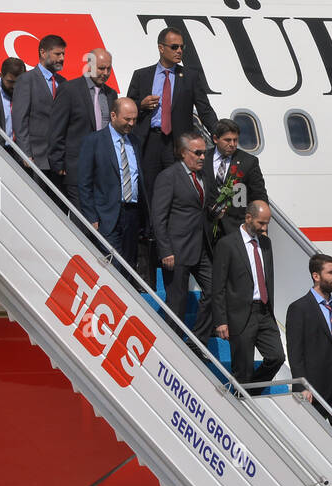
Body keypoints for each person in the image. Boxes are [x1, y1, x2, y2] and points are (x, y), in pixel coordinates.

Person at [127, 27, 218, 190]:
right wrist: (142, 105)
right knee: (149, 187)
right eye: (174, 47)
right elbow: (128, 108)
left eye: (182, 47)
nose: (179, 51)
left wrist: (218, 134)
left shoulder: (190, 77)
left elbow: (204, 109)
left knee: (178, 187)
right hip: (150, 141)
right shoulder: (142, 76)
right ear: (161, 48)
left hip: (178, 142)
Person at [211, 200, 284, 393]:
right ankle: (241, 402)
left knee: (277, 357)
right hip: (241, 314)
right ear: (248, 217)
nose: (264, 227)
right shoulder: (227, 244)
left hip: (265, 312)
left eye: (267, 223)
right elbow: (217, 286)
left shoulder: (266, 243)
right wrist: (221, 321)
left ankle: (249, 392)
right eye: (261, 223)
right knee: (242, 370)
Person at [150, 132, 215, 341]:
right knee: (177, 303)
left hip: (200, 248)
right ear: (183, 153)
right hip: (176, 250)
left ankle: (197, 340)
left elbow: (200, 209)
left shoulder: (204, 176)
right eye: (198, 153)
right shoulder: (169, 176)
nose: (203, 157)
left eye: (204, 153)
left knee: (215, 290)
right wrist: (165, 250)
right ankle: (171, 346)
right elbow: (158, 217)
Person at [286, 254, 332, 444]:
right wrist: (302, 386)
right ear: (316, 276)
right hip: (314, 387)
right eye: (331, 272)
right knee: (310, 442)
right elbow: (295, 352)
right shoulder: (299, 308)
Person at [77, 98, 142, 268]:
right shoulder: (94, 141)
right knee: (114, 266)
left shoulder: (135, 142)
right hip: (106, 215)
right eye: (127, 119)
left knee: (129, 266)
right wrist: (91, 216)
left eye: (134, 119)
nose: (131, 123)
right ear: (113, 115)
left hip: (132, 214)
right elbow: (84, 183)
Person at [49, 48, 116, 205]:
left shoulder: (111, 94)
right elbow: (57, 129)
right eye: (101, 68)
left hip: (102, 171)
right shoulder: (69, 89)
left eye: (109, 68)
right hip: (75, 170)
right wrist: (58, 164)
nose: (105, 73)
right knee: (80, 221)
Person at [12, 33, 67, 179]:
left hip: (59, 160)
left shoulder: (63, 82)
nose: (61, 58)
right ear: (43, 52)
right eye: (57, 54)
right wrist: (25, 153)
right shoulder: (26, 80)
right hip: (35, 159)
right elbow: (20, 120)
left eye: (63, 54)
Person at [206, 118, 266, 242]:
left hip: (235, 230)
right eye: (228, 140)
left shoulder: (248, 162)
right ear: (215, 139)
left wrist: (262, 227)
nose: (232, 144)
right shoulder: (203, 159)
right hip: (206, 230)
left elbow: (259, 195)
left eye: (235, 140)